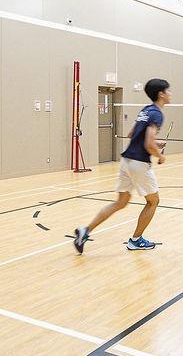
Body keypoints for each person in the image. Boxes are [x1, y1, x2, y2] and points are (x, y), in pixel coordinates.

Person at [73, 78, 171, 253]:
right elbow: (148, 143)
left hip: (126, 161)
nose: (170, 94)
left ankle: (85, 231)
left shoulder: (145, 110)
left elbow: (132, 133)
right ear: (161, 94)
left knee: (120, 202)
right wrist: (160, 155)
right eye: (168, 91)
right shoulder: (157, 114)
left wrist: (156, 142)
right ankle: (136, 240)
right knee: (153, 201)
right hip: (139, 163)